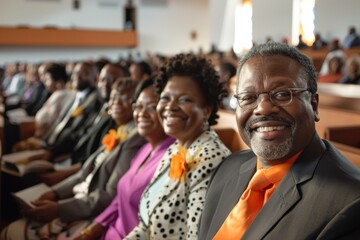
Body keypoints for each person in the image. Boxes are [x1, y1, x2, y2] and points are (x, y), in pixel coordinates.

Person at [198, 42, 360, 239]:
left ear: (314, 105)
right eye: (249, 97)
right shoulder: (227, 168)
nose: (263, 108)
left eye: (283, 94)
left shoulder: (349, 202)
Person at [1, 78, 146, 240]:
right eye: (113, 98)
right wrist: (54, 192)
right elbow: (85, 172)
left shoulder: (135, 138)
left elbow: (108, 196)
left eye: (125, 98)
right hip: (80, 195)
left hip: (90, 210)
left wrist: (59, 208)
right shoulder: (119, 130)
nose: (116, 102)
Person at [124, 53, 231, 239]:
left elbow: (195, 237)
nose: (170, 107)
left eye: (184, 100)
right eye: (165, 98)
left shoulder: (211, 158)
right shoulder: (176, 148)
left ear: (206, 110)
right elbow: (145, 227)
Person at [73, 78, 175, 240]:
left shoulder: (173, 159)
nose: (142, 113)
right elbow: (118, 201)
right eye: (139, 106)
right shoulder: (145, 148)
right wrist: (92, 229)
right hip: (109, 230)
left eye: (151, 107)